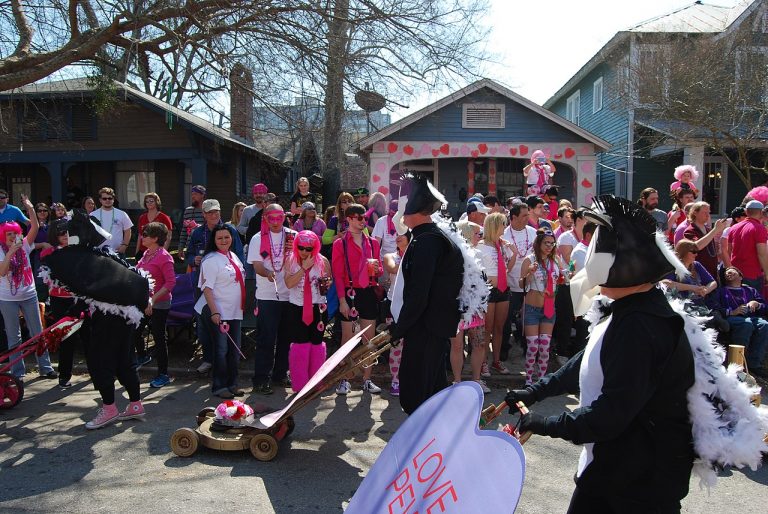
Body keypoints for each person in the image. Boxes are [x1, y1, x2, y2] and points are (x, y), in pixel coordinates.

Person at [507, 195, 695, 512]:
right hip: (614, 468)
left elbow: (611, 414)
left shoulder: (642, 324)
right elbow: (590, 359)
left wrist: (544, 424)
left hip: (636, 484)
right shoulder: (627, 308)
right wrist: (536, 390)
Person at [41, 210, 151, 429]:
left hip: (109, 320)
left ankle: (109, 409)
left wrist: (75, 311)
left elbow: (92, 290)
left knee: (100, 362)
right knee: (124, 361)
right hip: (127, 318)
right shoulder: (109, 256)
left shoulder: (88, 259)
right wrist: (74, 312)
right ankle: (135, 405)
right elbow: (97, 291)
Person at [389, 174, 464, 414]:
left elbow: (419, 293)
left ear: (415, 211)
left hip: (427, 327)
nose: (400, 217)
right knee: (430, 390)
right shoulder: (427, 237)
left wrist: (399, 328)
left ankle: (423, 444)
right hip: (429, 326)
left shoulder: (428, 242)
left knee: (419, 395)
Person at [0, 196, 57, 380]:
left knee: (37, 332)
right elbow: (2, 272)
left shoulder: (24, 245)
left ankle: (46, 367)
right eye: (9, 234)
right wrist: (10, 253)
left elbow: (35, 227)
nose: (13, 236)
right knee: (14, 336)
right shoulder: (1, 250)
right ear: (3, 236)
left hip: (29, 295)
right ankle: (18, 373)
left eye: (15, 233)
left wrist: (30, 208)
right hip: (7, 298)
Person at [186, 199, 244, 373]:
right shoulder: (197, 233)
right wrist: (193, 260)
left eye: (216, 211)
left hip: (226, 286)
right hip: (203, 285)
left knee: (228, 324)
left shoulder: (230, 230)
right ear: (203, 214)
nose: (214, 215)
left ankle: (227, 362)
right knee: (204, 323)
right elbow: (189, 254)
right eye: (210, 212)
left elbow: (239, 255)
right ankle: (208, 358)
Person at [332, 203, 383, 395]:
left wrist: (379, 271)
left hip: (368, 291)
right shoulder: (340, 243)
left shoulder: (373, 243)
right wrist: (342, 300)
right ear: (350, 219)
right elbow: (337, 275)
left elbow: (378, 270)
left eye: (365, 218)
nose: (364, 221)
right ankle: (344, 379)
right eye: (360, 218)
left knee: (368, 339)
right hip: (350, 292)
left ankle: (367, 379)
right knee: (347, 339)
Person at [248, 204, 296, 395]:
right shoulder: (257, 238)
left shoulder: (293, 235)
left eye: (279, 217)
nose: (275, 222)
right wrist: (267, 272)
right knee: (266, 340)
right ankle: (261, 379)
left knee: (286, 339)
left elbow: (303, 257)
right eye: (271, 218)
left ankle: (280, 375)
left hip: (290, 294)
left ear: (284, 217)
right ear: (265, 219)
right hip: (267, 296)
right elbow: (257, 265)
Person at [195, 225, 246, 398]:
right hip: (218, 311)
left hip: (234, 312)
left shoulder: (234, 256)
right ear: (214, 241)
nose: (224, 241)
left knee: (234, 350)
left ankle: (232, 384)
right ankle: (219, 386)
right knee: (221, 350)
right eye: (219, 238)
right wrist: (214, 312)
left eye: (227, 237)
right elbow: (207, 289)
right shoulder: (210, 260)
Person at [284, 230, 332, 393]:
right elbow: (289, 284)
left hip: (318, 308)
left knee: (317, 345)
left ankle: (316, 383)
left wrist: (325, 284)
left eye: (308, 249)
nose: (304, 251)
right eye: (301, 247)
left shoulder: (323, 261)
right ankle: (300, 385)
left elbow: (329, 282)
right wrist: (303, 268)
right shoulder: (291, 260)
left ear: (315, 248)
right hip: (297, 308)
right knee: (300, 346)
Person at [42, 219, 87, 389]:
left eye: (67, 233)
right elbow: (47, 276)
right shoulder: (49, 254)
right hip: (59, 299)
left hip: (79, 298)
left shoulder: (79, 252)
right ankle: (64, 375)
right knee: (66, 337)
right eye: (61, 234)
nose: (65, 236)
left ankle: (98, 372)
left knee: (87, 335)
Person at [449, 221, 489, 392]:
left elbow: (483, 280)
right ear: (466, 234)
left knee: (479, 343)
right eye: (478, 234)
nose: (480, 237)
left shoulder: (479, 254)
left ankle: (476, 380)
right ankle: (457, 381)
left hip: (476, 306)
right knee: (457, 345)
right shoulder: (452, 254)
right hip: (456, 306)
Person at [135, 222, 176, 387]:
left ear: (155, 238)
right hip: (145, 302)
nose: (142, 237)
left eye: (145, 234)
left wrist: (154, 299)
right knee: (135, 331)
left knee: (159, 338)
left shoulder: (164, 257)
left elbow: (171, 283)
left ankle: (163, 374)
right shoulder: (146, 254)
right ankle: (143, 356)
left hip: (160, 303)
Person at [519, 228, 560, 385]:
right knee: (533, 347)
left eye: (552, 243)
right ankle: (528, 379)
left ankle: (541, 380)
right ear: (539, 243)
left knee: (544, 347)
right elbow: (521, 284)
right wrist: (529, 273)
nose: (549, 246)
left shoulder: (555, 261)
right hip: (532, 309)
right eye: (546, 243)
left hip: (549, 309)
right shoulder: (529, 260)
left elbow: (560, 280)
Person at [712, 265, 768, 378]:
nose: (728, 273)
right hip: (733, 318)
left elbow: (765, 307)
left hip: (752, 317)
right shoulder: (722, 291)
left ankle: (754, 363)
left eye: (731, 271)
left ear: (741, 276)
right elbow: (714, 306)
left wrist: (756, 304)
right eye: (726, 273)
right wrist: (732, 312)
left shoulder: (750, 290)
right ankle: (737, 363)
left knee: (764, 325)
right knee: (745, 324)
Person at [477, 212, 513, 375]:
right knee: (487, 328)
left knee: (499, 328)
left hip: (503, 289)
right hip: (488, 290)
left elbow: (508, 268)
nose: (505, 227)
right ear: (494, 225)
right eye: (503, 224)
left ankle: (496, 361)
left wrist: (514, 252)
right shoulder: (480, 245)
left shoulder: (503, 245)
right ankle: (483, 362)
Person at [501, 199, 537, 359]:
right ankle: (503, 350)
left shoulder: (533, 232)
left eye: (528, 215)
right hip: (509, 285)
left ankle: (527, 349)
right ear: (513, 217)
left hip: (528, 285)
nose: (527, 218)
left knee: (528, 320)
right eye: (523, 216)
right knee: (506, 321)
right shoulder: (504, 234)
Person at [382, 229, 412, 396]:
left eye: (401, 234)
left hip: (412, 305)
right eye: (395, 234)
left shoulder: (416, 255)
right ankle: (396, 380)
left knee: (413, 344)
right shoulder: (390, 256)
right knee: (397, 345)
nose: (397, 237)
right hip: (394, 304)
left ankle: (410, 380)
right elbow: (393, 269)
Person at [661, 239, 717, 308]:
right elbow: (666, 283)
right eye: (693, 252)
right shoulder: (672, 266)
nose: (696, 254)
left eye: (696, 251)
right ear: (683, 252)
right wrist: (692, 288)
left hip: (699, 306)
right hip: (680, 308)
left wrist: (705, 290)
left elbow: (713, 283)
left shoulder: (696, 265)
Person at [728, 199, 768, 291]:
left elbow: (728, 250)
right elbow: (762, 253)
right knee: (754, 303)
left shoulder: (734, 227)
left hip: (736, 273)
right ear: (761, 212)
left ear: (746, 211)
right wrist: (767, 273)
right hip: (752, 274)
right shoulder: (759, 228)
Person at [682, 201, 727, 280]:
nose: (708, 215)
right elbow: (696, 246)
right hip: (698, 274)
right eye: (704, 212)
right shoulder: (690, 230)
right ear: (695, 213)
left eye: (708, 212)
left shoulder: (708, 230)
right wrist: (715, 230)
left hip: (712, 273)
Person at [92, 187, 132, 256]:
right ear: (100, 200)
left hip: (117, 252)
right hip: (98, 252)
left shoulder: (122, 214)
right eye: (104, 198)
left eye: (110, 198)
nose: (107, 200)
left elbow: (128, 230)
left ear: (113, 199)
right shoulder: (93, 215)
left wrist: (124, 246)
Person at [134, 192, 173, 260]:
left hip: (157, 251)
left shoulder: (164, 217)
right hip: (143, 251)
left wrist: (163, 252)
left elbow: (168, 236)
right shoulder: (142, 217)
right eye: (147, 201)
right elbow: (140, 235)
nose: (149, 203)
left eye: (151, 201)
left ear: (157, 202)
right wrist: (137, 252)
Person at [178, 185, 206, 262]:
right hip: (190, 249)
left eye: (196, 194)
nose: (193, 196)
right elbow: (184, 231)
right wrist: (181, 247)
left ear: (202, 195)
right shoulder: (188, 211)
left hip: (204, 248)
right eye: (192, 194)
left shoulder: (208, 211)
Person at [719, 206, 746, 270]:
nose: (747, 217)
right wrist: (729, 268)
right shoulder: (728, 230)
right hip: (729, 268)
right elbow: (724, 250)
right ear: (737, 219)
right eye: (745, 215)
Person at [30, 202, 51, 274]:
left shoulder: (54, 224)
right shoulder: (32, 227)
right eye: (39, 211)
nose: (42, 212)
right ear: (36, 213)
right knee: (40, 283)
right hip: (39, 258)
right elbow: (29, 244)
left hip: (54, 256)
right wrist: (43, 244)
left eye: (45, 210)